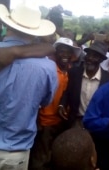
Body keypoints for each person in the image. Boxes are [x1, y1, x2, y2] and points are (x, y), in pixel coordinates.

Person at [0, 3, 57, 170]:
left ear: (7, 24)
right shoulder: (48, 67)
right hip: (17, 153)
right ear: (36, 31)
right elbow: (45, 102)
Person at [29, 37, 81, 170]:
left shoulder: (71, 72)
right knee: (41, 158)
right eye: (62, 51)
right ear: (55, 53)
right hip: (46, 122)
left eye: (68, 52)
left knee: (56, 157)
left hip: (63, 122)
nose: (65, 55)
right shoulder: (49, 70)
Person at [59, 40, 109, 128]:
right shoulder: (74, 73)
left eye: (95, 56)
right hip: (76, 121)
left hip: (96, 123)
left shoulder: (108, 79)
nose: (90, 58)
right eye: (89, 54)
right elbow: (67, 92)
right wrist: (62, 104)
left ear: (101, 60)